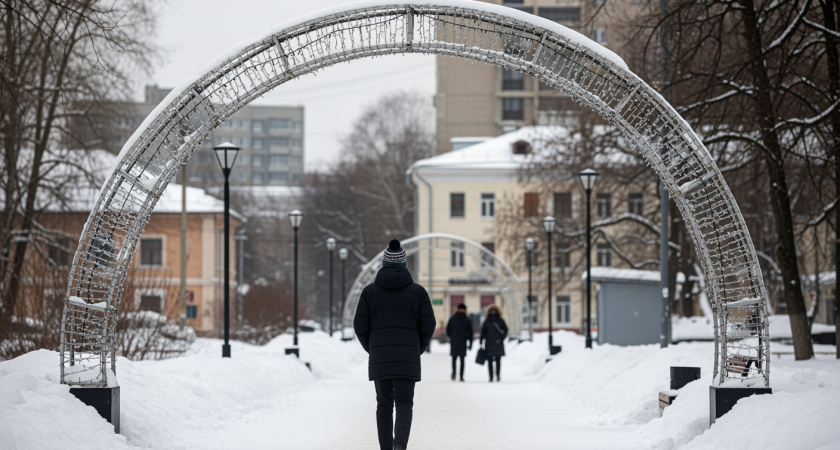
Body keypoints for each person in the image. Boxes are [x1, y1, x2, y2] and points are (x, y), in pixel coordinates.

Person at [354, 239, 436, 450]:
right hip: (407, 358)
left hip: (380, 358)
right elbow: (429, 325)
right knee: (404, 402)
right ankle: (400, 445)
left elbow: (359, 325)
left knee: (383, 404)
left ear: (384, 264)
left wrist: (373, 348)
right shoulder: (418, 293)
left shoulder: (369, 292)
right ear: (404, 265)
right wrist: (417, 349)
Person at [445, 303, 473, 382]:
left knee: (454, 358)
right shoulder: (467, 319)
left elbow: (448, 330)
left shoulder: (452, 318)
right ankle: (461, 376)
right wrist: (470, 343)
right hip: (463, 341)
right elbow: (470, 333)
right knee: (462, 359)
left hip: (454, 341)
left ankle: (454, 373)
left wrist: (451, 336)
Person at [480, 305, 508, 382]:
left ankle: (494, 376)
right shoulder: (497, 320)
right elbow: (483, 332)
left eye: (494, 311)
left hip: (491, 343)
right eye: (492, 311)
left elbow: (505, 330)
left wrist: (502, 338)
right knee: (494, 361)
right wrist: (501, 338)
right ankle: (494, 376)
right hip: (495, 343)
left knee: (494, 361)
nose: (493, 312)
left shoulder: (488, 321)